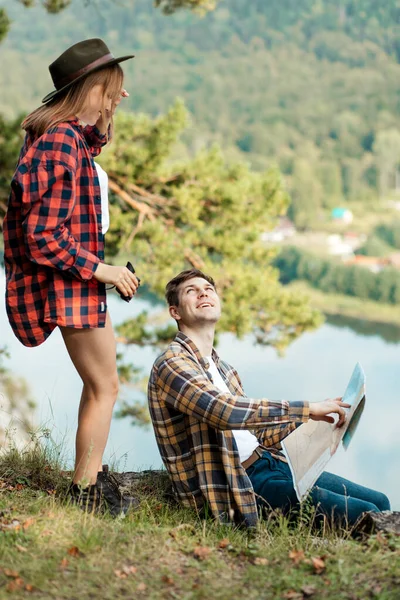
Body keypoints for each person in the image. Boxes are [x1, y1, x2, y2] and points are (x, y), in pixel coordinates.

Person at [3, 38, 140, 516]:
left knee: (102, 384)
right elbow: (42, 235)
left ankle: (88, 481)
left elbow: (87, 152)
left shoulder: (66, 137)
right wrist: (104, 270)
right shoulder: (60, 141)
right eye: (113, 89)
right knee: (106, 385)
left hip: (77, 282)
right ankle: (85, 492)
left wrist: (103, 117)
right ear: (93, 86)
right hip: (72, 284)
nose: (119, 97)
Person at [148, 269, 390, 527]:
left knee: (381, 502)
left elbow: (260, 432)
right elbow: (224, 412)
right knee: (368, 514)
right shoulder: (172, 363)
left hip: (271, 464)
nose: (203, 293)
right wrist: (307, 409)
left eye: (208, 288)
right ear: (175, 312)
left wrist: (320, 418)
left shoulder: (223, 369)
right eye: (191, 291)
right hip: (239, 484)